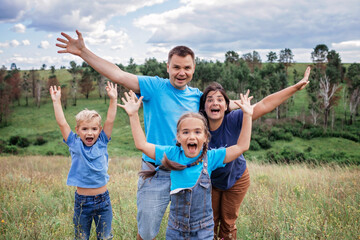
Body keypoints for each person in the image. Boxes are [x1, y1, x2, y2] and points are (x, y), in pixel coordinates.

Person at [56, 30, 236, 240]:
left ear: (193, 69)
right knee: (147, 232)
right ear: (167, 67)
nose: (181, 72)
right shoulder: (154, 86)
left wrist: (250, 110)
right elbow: (118, 75)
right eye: (176, 67)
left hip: (188, 173)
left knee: (193, 231)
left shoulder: (199, 97)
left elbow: (233, 107)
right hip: (155, 171)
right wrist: (83, 52)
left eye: (187, 68)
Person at [118, 90, 254, 239]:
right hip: (176, 230)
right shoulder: (172, 154)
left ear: (205, 137)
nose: (191, 136)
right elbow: (142, 145)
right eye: (186, 132)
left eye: (197, 132)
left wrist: (247, 115)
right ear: (178, 136)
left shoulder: (212, 157)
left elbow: (241, 147)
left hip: (204, 230)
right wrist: (133, 115)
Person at [198, 66, 311, 240]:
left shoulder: (234, 119)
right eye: (210, 100)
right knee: (208, 222)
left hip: (236, 178)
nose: (215, 103)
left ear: (226, 105)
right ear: (203, 106)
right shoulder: (198, 126)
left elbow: (265, 104)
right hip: (209, 181)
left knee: (228, 223)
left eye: (220, 99)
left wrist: (295, 87)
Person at [50, 81, 118, 240]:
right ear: (77, 130)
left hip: (104, 202)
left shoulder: (102, 141)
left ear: (99, 130)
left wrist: (113, 99)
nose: (90, 132)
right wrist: (56, 101)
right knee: (81, 237)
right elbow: (62, 122)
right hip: (82, 203)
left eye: (94, 129)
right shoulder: (74, 143)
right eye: (85, 129)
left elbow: (110, 120)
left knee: (106, 237)